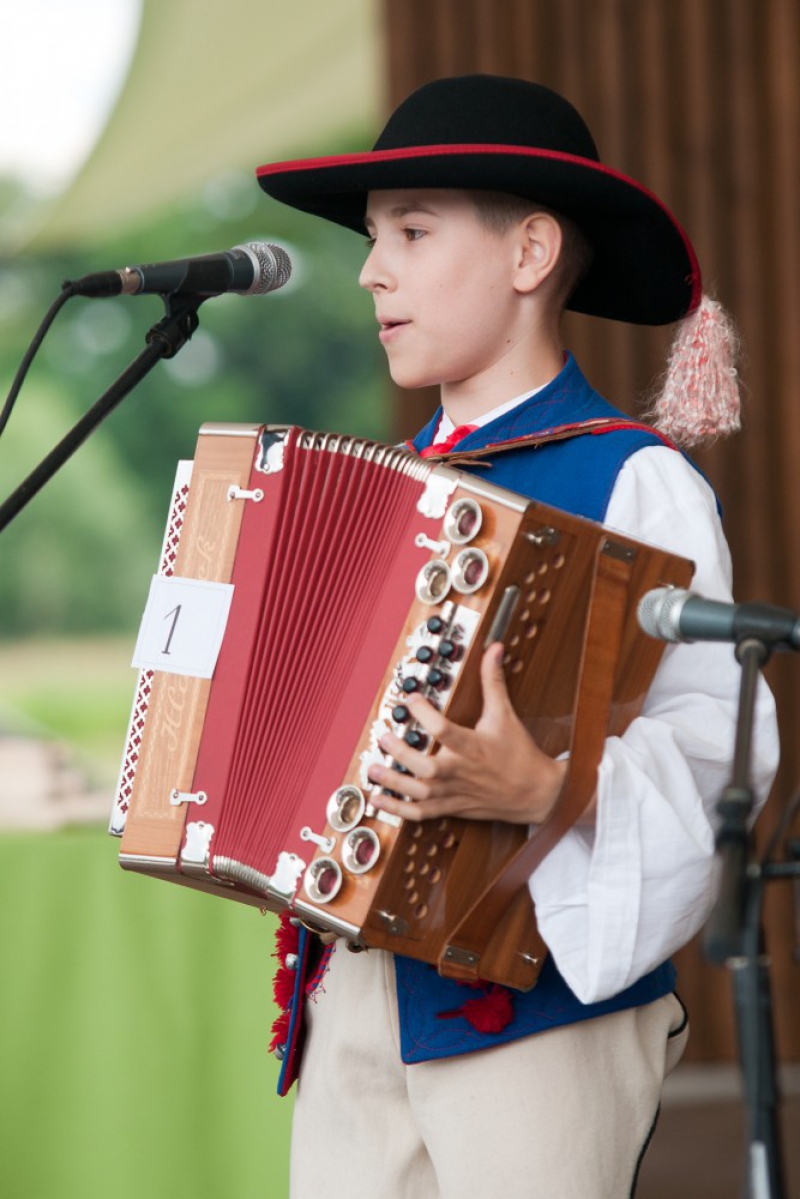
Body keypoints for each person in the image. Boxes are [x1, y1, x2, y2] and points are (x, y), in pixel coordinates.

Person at [255, 75, 779, 1198]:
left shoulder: (632, 478)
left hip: (534, 1010)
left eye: (410, 229)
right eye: (371, 236)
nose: (370, 269)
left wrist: (550, 784)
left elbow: (717, 744)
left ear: (530, 251)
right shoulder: (390, 489)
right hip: (352, 992)